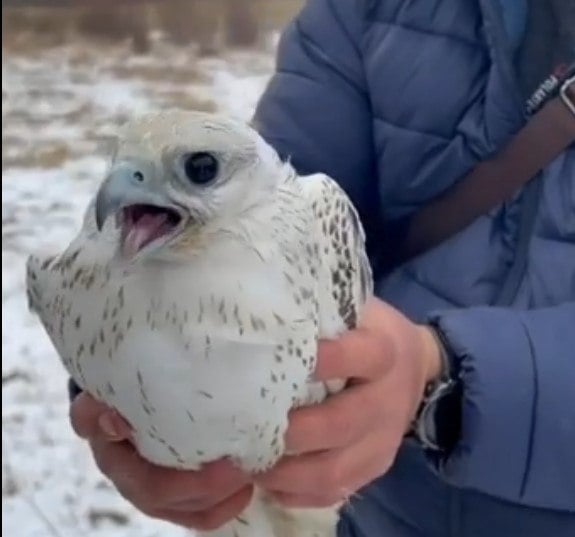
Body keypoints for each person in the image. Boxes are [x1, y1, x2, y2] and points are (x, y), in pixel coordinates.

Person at [69, 0, 575, 535]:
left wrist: (441, 380)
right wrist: (124, 375)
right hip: (374, 514)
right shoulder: (363, 13)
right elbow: (257, 217)